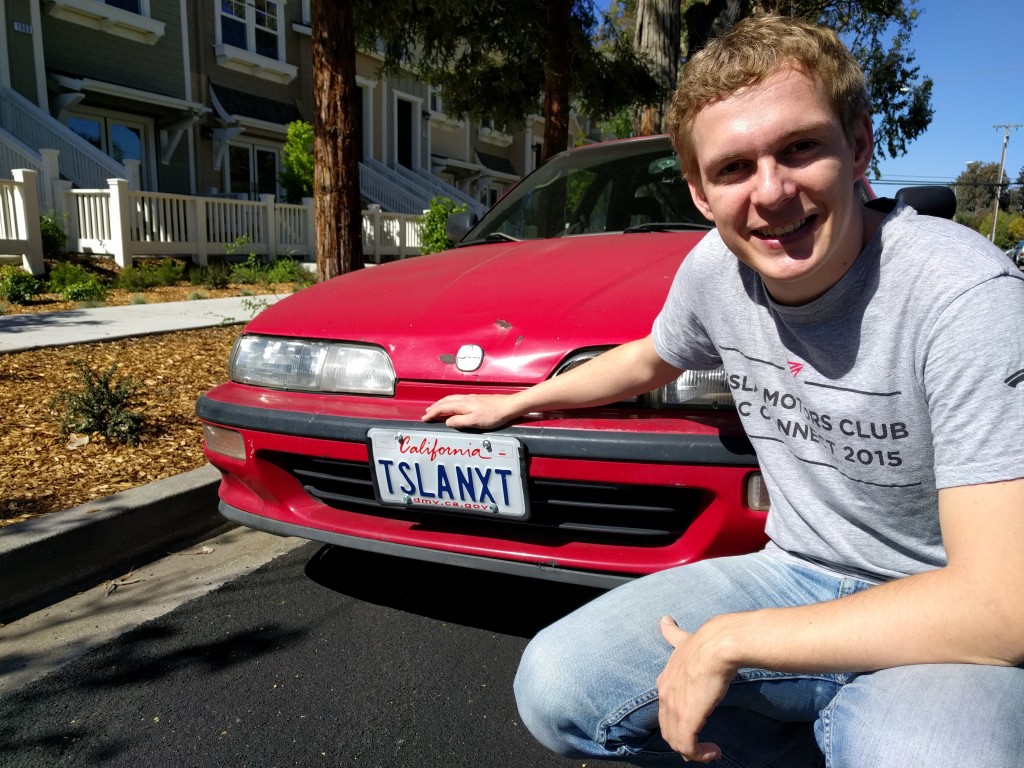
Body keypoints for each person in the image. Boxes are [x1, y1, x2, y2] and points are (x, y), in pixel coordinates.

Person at [422, 12, 1024, 767]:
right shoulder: (717, 270)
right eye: (734, 168)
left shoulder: (963, 295)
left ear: (860, 147)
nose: (770, 193)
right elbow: (649, 358)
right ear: (702, 193)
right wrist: (519, 399)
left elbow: (1002, 607)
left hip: (936, 612)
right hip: (795, 571)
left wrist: (734, 641)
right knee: (554, 685)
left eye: (800, 148)